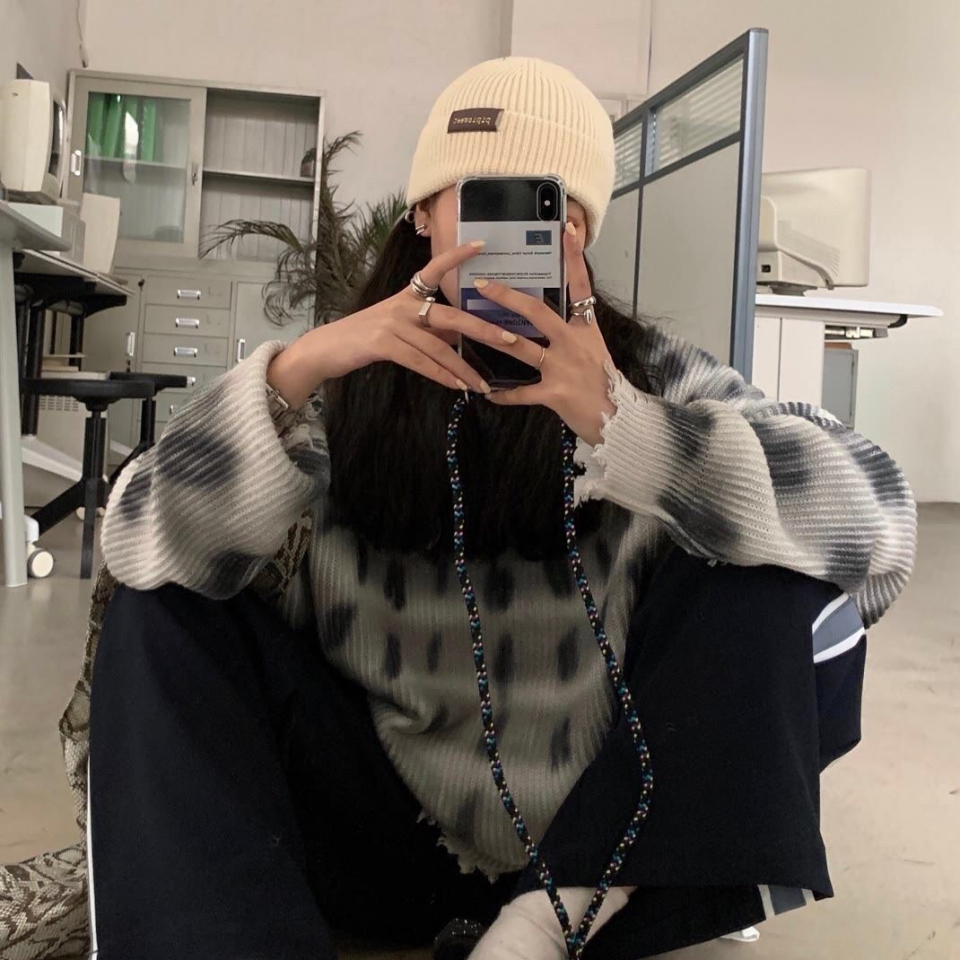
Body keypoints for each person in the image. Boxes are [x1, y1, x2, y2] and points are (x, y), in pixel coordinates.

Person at [87, 56, 916, 960]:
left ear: (583, 235)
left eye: (556, 210)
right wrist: (297, 373)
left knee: (779, 573)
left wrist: (631, 430)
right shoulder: (333, 387)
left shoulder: (651, 375)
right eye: (485, 199)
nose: (518, 238)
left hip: (605, 848)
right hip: (372, 832)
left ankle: (539, 922)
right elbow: (137, 544)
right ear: (422, 214)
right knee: (159, 607)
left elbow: (876, 527)